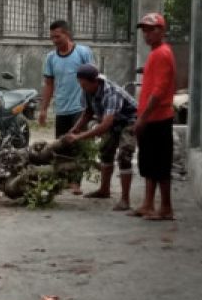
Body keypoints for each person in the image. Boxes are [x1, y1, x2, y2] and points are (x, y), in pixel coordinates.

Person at [62, 63, 138, 211]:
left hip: (130, 122)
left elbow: (105, 125)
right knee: (105, 150)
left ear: (95, 82)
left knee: (124, 155)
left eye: (84, 84)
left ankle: (125, 199)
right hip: (112, 121)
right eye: (80, 84)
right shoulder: (87, 89)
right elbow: (88, 113)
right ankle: (104, 190)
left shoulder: (112, 93)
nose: (82, 87)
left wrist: (80, 137)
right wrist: (74, 129)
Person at [38, 19, 94, 194]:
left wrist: (94, 106)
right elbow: (49, 84)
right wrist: (44, 109)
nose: (54, 40)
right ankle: (63, 180)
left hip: (81, 107)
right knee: (61, 146)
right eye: (52, 38)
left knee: (77, 144)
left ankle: (76, 182)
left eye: (58, 36)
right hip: (61, 108)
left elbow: (93, 78)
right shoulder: (51, 58)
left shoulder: (83, 53)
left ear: (67, 34)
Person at [133, 13, 177, 220]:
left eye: (151, 30)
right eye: (145, 30)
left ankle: (165, 207)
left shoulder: (162, 54)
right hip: (151, 118)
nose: (147, 34)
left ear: (162, 31)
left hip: (158, 118)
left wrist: (143, 118)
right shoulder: (155, 53)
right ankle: (148, 204)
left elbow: (159, 92)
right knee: (149, 163)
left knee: (160, 165)